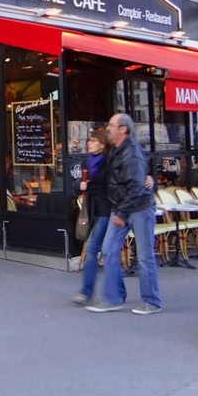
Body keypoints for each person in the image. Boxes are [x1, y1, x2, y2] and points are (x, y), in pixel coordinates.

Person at [86, 113, 162, 315]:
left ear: (123, 129)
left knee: (144, 256)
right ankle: (114, 297)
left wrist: (121, 212)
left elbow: (136, 186)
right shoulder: (115, 149)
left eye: (111, 125)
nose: (108, 128)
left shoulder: (132, 153)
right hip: (120, 207)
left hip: (139, 208)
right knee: (109, 250)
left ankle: (152, 301)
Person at [71, 130, 112, 305]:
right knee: (96, 249)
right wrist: (79, 185)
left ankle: (87, 292)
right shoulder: (86, 162)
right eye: (89, 140)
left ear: (103, 144)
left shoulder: (108, 162)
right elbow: (79, 185)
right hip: (91, 209)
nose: (89, 143)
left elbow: (111, 185)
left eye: (93, 140)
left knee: (94, 247)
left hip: (106, 209)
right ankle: (90, 291)